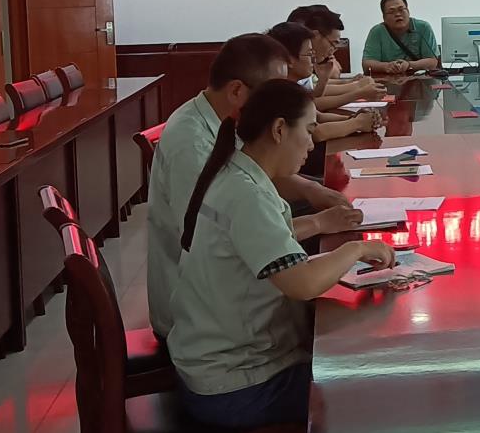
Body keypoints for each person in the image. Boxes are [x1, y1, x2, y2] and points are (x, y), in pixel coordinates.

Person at [169, 79, 396, 428]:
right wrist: (357, 248)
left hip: (209, 366)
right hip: (235, 387)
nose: (312, 143)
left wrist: (319, 223)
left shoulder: (233, 173)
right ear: (279, 130)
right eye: (309, 130)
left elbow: (261, 238)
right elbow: (302, 284)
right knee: (368, 381)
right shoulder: (248, 195)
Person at [146, 34, 362, 339]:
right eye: (271, 92)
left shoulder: (230, 128)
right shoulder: (191, 146)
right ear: (237, 90)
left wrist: (313, 195)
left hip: (226, 304)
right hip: (204, 320)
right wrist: (337, 238)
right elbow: (216, 232)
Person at [266, 21, 383, 144]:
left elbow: (319, 116)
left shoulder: (293, 88)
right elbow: (316, 133)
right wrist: (357, 123)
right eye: (309, 54)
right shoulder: (280, 93)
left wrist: (355, 118)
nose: (313, 59)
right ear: (290, 60)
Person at [361, 0, 440, 75]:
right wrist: (386, 66)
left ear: (408, 11)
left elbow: (433, 61)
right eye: (391, 12)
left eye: (401, 10)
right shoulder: (377, 32)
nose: (398, 14)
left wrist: (409, 65)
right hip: (387, 80)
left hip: (419, 79)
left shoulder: (423, 28)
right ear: (384, 17)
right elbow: (366, 64)